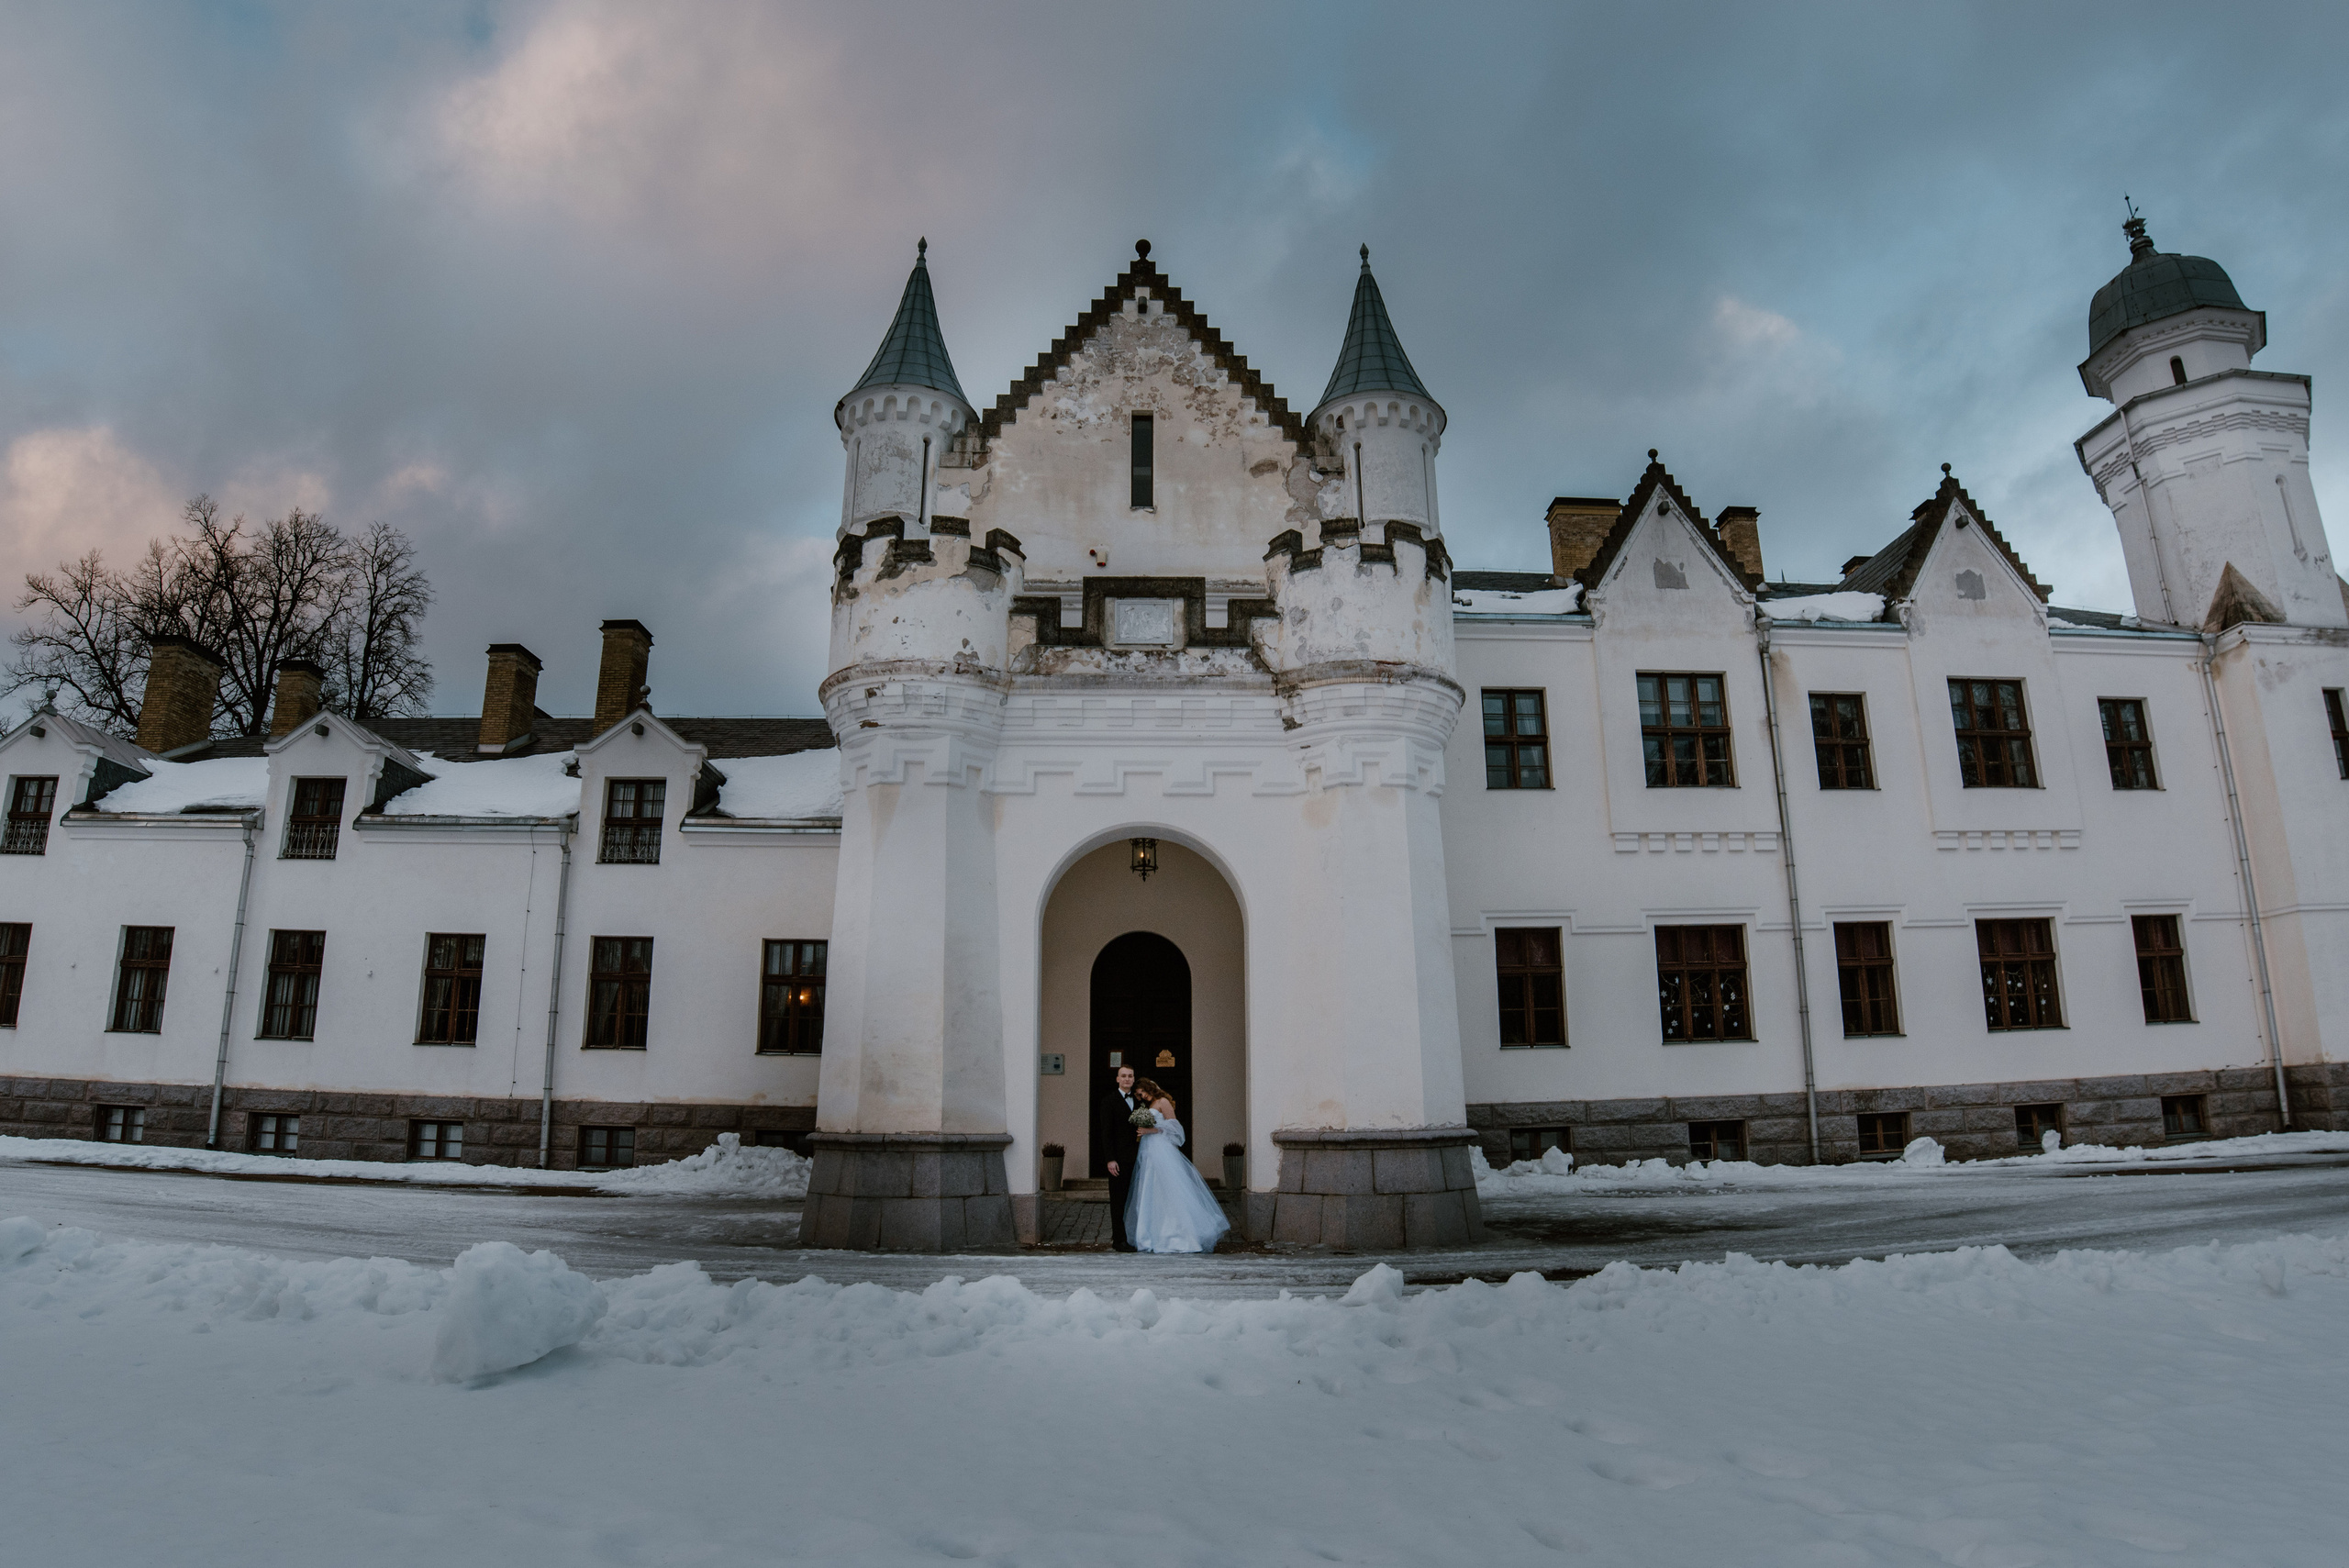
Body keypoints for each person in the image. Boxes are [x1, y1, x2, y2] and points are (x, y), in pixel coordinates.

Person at [1125, 1077, 1231, 1254]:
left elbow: (1174, 1126)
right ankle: (1152, 1234)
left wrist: (1151, 1130)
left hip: (1161, 1149)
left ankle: (1177, 1235)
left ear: (1147, 1088)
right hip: (1149, 1150)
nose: (1140, 1097)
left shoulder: (1163, 1101)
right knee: (1151, 1189)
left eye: (1140, 1093)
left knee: (1168, 1189)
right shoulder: (1148, 1106)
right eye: (1137, 1095)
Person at [1097, 1063, 1144, 1251]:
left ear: (1134, 1079)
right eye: (1123, 1076)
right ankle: (1119, 1240)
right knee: (1119, 1200)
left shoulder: (1140, 1101)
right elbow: (1106, 1133)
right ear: (1117, 1079)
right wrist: (1110, 1159)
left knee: (1136, 1199)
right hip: (1119, 1159)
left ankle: (1135, 1236)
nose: (1127, 1079)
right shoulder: (1108, 1101)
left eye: (1130, 1076)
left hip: (1138, 1157)